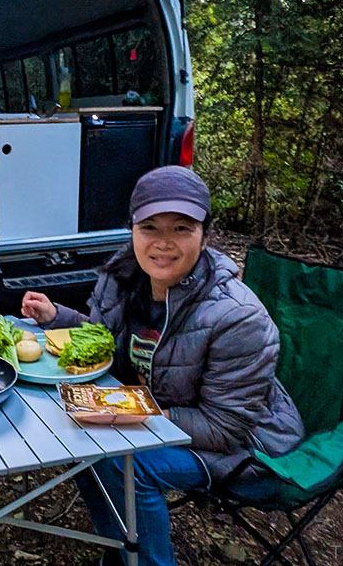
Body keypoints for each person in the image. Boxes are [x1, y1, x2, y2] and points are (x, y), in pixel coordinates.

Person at [21, 166, 305, 566]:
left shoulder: (237, 318)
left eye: (182, 229)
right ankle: (122, 550)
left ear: (206, 235)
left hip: (249, 446)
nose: (163, 244)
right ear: (132, 230)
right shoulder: (123, 278)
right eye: (150, 227)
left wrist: (128, 409)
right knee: (82, 446)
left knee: (125, 462)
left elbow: (225, 427)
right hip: (161, 411)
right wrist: (57, 317)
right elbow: (104, 344)